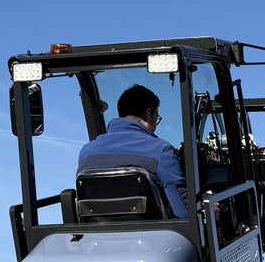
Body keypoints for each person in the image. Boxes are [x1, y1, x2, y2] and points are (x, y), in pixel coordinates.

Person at [77, 84, 189, 218]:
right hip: (153, 235)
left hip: (97, 236)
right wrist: (206, 211)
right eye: (156, 117)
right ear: (148, 113)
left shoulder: (87, 152)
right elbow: (184, 212)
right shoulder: (161, 151)